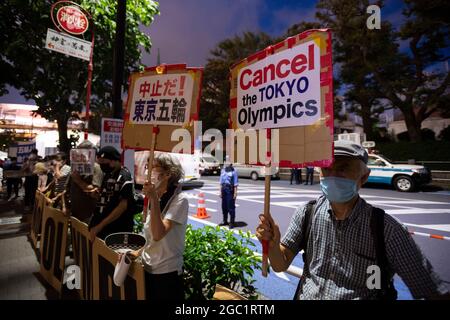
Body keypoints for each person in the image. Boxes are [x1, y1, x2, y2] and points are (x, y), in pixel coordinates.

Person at [256, 140, 449, 300]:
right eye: (327, 169)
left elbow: (432, 291)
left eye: (343, 168)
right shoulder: (307, 213)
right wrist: (271, 246)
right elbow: (280, 265)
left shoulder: (387, 230)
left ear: (363, 177)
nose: (333, 176)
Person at [127, 153, 188, 301]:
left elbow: (158, 234)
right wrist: (137, 253)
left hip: (167, 272)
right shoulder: (154, 197)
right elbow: (150, 238)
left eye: (153, 168)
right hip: (147, 268)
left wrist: (153, 199)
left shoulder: (179, 200)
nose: (149, 172)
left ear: (168, 173)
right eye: (148, 167)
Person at [89, 146, 135, 241]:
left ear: (114, 160)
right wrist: (98, 195)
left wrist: (100, 226)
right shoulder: (108, 174)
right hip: (103, 229)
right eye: (100, 163)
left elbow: (122, 206)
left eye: (104, 163)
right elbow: (109, 198)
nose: (102, 166)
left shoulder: (124, 177)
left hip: (116, 230)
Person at [67, 140, 103, 223]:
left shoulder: (96, 168)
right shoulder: (75, 167)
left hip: (88, 216)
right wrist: (66, 206)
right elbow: (67, 188)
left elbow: (95, 190)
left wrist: (78, 180)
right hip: (74, 214)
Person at [219, 161, 238, 229]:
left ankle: (232, 222)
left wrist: (235, 193)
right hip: (223, 189)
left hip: (230, 190)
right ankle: (225, 221)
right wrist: (220, 192)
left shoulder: (234, 171)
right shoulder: (223, 170)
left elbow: (235, 183)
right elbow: (221, 182)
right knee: (224, 206)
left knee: (231, 207)